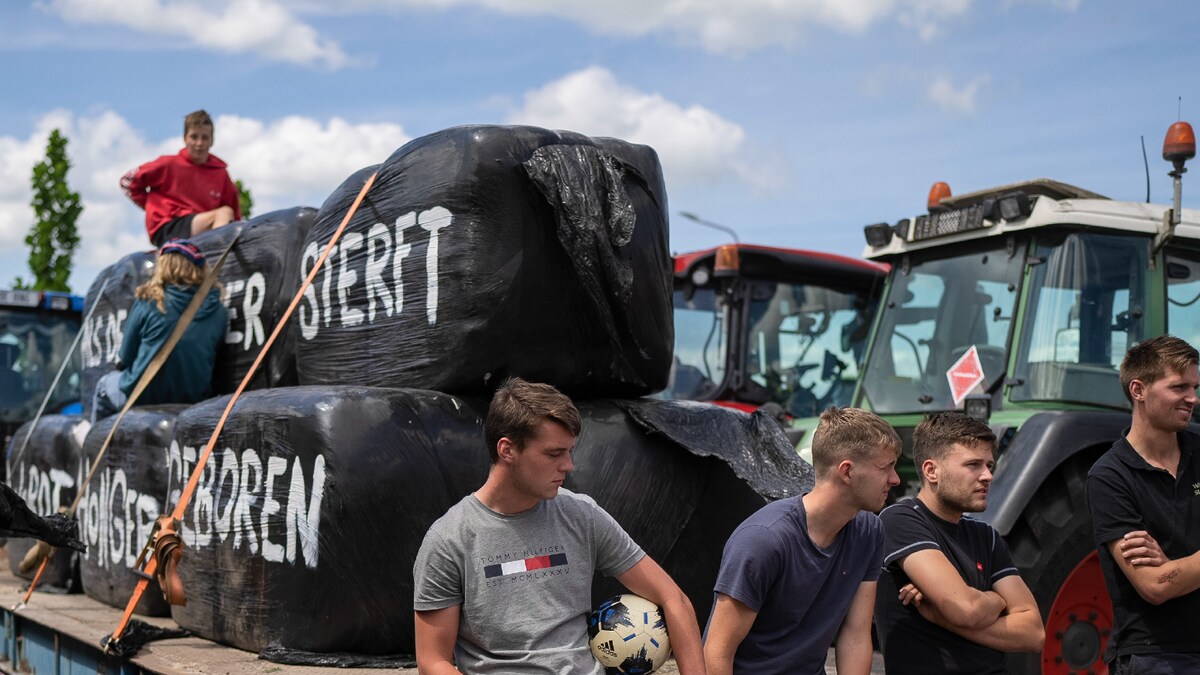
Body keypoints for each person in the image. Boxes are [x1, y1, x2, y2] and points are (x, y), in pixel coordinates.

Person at [411, 377, 705, 675]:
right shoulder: (448, 540)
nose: (568, 465)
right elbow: (432, 662)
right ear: (507, 450)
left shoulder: (582, 515)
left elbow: (674, 599)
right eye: (554, 454)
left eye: (569, 452)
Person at [703, 406, 901, 675]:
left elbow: (855, 635)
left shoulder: (868, 531)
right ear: (847, 471)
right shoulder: (764, 541)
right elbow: (716, 653)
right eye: (885, 467)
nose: (895, 479)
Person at [875, 412, 1043, 675]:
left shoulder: (986, 537)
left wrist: (940, 616)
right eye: (973, 464)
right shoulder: (900, 520)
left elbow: (1033, 633)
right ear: (932, 471)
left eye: (990, 465)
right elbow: (966, 609)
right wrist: (998, 601)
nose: (987, 476)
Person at [1088, 335, 1200, 673]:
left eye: (1195, 387)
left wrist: (1176, 568)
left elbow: (1167, 576)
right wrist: (1166, 575)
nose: (1192, 398)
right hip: (1159, 657)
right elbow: (1154, 585)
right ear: (1139, 390)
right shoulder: (1109, 477)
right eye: (1179, 387)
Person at [91, 240, 227, 421]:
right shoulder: (218, 310)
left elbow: (126, 355)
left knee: (103, 385)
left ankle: (95, 447)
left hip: (143, 394)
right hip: (193, 398)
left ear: (163, 266)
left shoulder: (150, 299)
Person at [121, 109, 240, 247]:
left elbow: (235, 214)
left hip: (202, 227)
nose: (199, 143)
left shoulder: (220, 173)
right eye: (194, 137)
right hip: (168, 226)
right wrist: (151, 206)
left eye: (205, 137)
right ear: (185, 138)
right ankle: (216, 261)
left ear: (212, 140)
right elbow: (127, 181)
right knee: (223, 213)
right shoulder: (168, 164)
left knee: (227, 216)